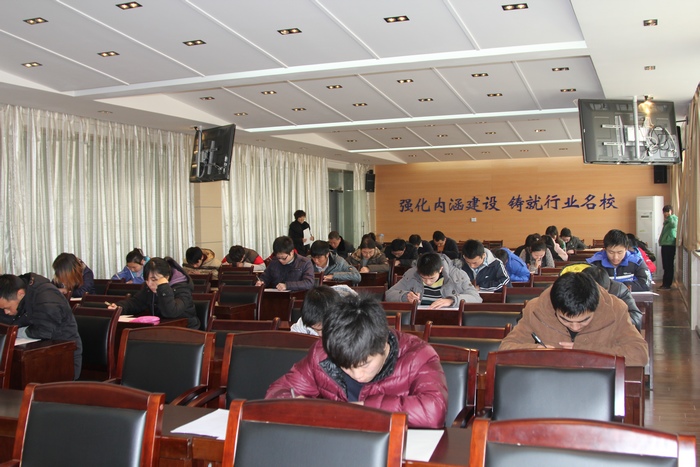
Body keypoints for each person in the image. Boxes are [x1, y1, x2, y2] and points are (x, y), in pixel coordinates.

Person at [266, 293, 448, 429]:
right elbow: (277, 392)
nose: (357, 375)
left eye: (365, 364)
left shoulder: (418, 355)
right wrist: (297, 404)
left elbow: (434, 410)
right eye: (345, 366)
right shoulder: (322, 353)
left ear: (383, 342)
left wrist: (361, 409)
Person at [499, 272, 648, 366]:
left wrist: (586, 353)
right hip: (546, 385)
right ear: (554, 308)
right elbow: (505, 348)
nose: (575, 327)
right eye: (565, 320)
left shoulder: (616, 310)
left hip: (597, 388)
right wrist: (536, 352)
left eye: (584, 320)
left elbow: (639, 354)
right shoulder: (536, 309)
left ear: (595, 307)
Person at [0, 273, 83, 378]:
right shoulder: (14, 295)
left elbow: (44, 331)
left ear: (20, 293)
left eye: (7, 308)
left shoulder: (46, 296)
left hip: (62, 355)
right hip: (33, 354)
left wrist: (15, 332)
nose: (6, 312)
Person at [110, 257, 200, 329]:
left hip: (186, 330)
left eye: (154, 280)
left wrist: (163, 287)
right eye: (146, 280)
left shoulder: (182, 288)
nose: (149, 284)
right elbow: (136, 302)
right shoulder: (149, 287)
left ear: (166, 277)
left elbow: (171, 312)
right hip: (161, 330)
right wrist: (119, 307)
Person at [386, 252, 481, 307]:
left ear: (440, 269)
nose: (428, 282)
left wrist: (452, 300)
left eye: (432, 278)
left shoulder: (457, 275)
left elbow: (476, 298)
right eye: (423, 278)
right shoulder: (411, 274)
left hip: (449, 320)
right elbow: (389, 294)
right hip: (417, 318)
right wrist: (405, 296)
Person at [575, 264, 643, 332]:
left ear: (608, 288)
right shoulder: (574, 289)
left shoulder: (619, 290)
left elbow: (635, 317)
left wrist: (610, 321)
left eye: (601, 294)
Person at [586, 229, 650, 291]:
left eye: (620, 252)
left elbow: (646, 284)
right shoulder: (594, 263)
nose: (615, 257)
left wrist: (618, 287)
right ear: (604, 249)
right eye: (611, 252)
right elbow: (587, 285)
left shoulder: (637, 262)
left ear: (626, 249)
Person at [289, 285, 356, 336]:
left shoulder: (351, 322)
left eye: (323, 329)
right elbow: (294, 337)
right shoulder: (308, 318)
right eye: (315, 329)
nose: (320, 335)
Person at [659, 205, 678, 289]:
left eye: (666, 213)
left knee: (669, 265)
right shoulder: (667, 221)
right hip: (665, 244)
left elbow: (674, 225)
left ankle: (667, 284)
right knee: (665, 265)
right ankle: (665, 283)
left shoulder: (673, 219)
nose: (665, 215)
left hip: (670, 245)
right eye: (664, 214)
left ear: (670, 211)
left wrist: (670, 216)